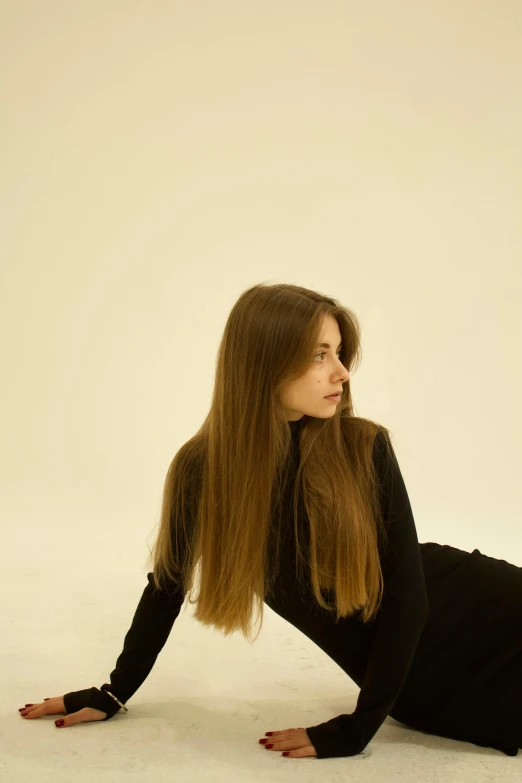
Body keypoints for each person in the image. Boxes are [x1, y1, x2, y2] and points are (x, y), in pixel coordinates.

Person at [18, 283, 522, 759]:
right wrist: (114, 690)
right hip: (418, 687)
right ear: (264, 363)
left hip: (490, 612)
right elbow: (166, 587)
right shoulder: (202, 469)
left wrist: (359, 725)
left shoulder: (363, 445)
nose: (342, 372)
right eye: (320, 355)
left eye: (340, 353)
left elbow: (410, 594)